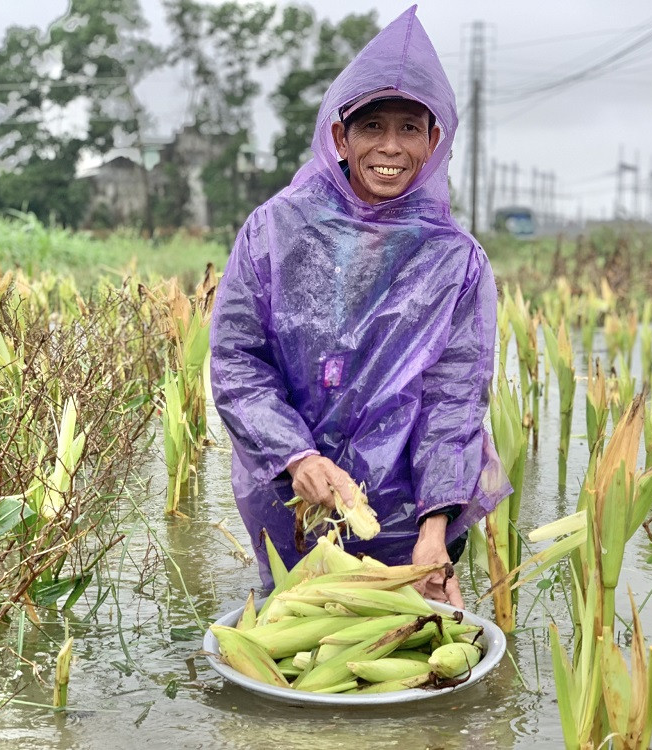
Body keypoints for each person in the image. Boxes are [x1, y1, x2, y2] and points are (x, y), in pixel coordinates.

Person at [210, 6, 509, 608]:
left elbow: (453, 403)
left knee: (405, 640)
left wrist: (434, 532)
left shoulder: (457, 260)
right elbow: (237, 360)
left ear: (433, 141)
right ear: (340, 137)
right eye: (372, 126)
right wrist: (295, 455)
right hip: (291, 496)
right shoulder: (273, 230)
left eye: (409, 128)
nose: (390, 147)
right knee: (297, 633)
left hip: (404, 517)